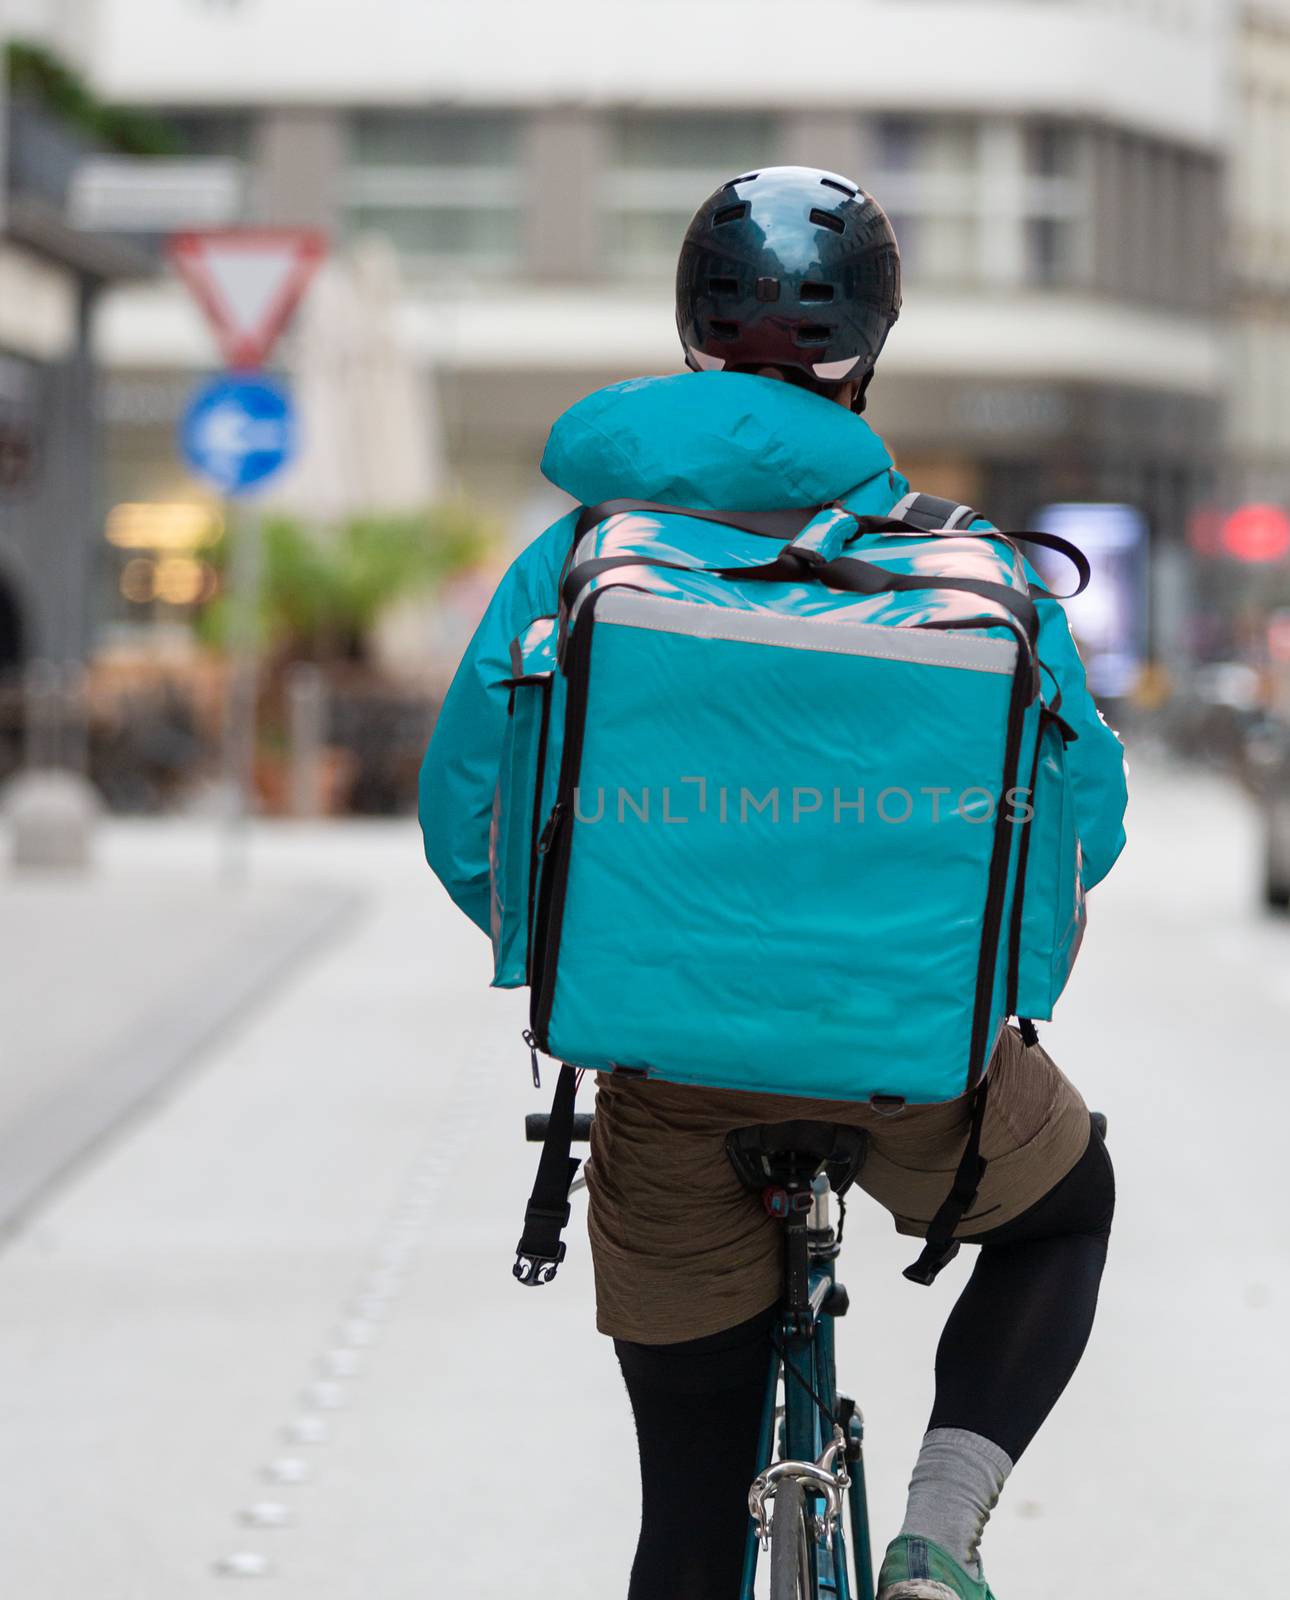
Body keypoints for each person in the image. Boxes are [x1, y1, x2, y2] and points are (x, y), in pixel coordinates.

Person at [419, 166, 1128, 1600]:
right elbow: (1086, 826)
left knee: (684, 1523)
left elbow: (466, 822)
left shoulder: (575, 561)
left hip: (670, 1083)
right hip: (923, 1073)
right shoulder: (970, 566)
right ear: (871, 344)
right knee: (1071, 1206)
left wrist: (610, 943)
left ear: (690, 326)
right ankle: (936, 1531)